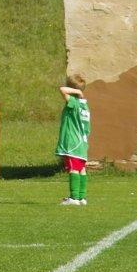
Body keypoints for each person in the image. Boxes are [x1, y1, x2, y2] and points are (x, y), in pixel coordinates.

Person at [56, 75, 91, 206]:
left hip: (72, 142)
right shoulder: (84, 105)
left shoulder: (73, 103)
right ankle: (82, 197)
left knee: (73, 169)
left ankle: (74, 198)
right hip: (82, 142)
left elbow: (62, 90)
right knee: (81, 169)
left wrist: (77, 92)